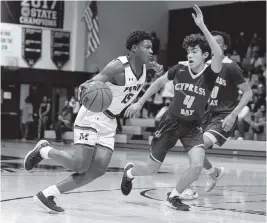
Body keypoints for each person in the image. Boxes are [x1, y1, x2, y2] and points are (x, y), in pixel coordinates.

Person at [24, 30, 163, 213]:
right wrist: (86, 88)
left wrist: (154, 66)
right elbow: (92, 82)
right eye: (147, 47)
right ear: (135, 49)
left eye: (152, 47)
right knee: (79, 165)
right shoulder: (118, 66)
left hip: (110, 121)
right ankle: (44, 151)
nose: (151, 50)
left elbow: (149, 66)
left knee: (98, 170)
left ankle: (48, 194)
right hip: (92, 115)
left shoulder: (145, 67)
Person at [120, 5, 223, 211]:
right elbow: (158, 83)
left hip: (192, 126)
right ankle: (130, 172)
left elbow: (218, 53)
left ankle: (174, 197)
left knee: (196, 165)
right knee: (151, 169)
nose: (190, 55)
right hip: (170, 122)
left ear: (204, 55)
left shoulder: (210, 74)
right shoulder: (180, 69)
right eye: (188, 51)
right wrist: (140, 101)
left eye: (194, 52)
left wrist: (202, 26)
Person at [181, 31, 253, 198]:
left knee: (196, 146)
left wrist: (234, 114)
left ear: (225, 47)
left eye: (218, 42)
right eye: (211, 41)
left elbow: (248, 93)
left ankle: (189, 188)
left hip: (224, 115)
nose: (214, 44)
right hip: (207, 114)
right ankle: (214, 172)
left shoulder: (231, 67)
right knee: (192, 147)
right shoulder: (207, 66)